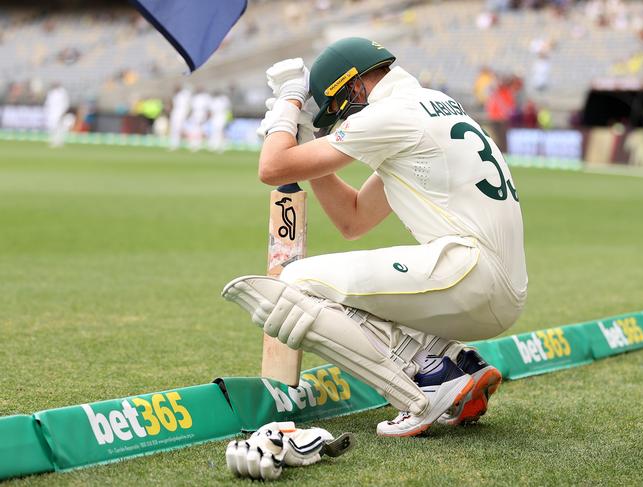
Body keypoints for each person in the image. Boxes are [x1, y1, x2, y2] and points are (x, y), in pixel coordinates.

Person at [223, 37, 527, 437]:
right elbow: (353, 220)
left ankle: (422, 391)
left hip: (470, 274)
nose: (340, 116)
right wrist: (306, 140)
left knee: (294, 284)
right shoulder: (428, 105)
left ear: (355, 85)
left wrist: (288, 105)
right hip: (497, 287)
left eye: (338, 105)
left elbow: (272, 167)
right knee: (348, 283)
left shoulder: (391, 114)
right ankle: (453, 362)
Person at [43, 82, 70, 147]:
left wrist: (63, 112)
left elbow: (66, 103)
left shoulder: (62, 92)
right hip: (51, 113)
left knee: (60, 127)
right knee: (51, 127)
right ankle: (53, 141)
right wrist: (46, 111)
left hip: (60, 112)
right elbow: (48, 103)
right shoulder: (51, 92)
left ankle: (59, 141)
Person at [169, 85, 192, 150]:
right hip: (176, 113)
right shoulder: (176, 96)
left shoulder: (184, 95)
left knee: (185, 128)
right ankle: (174, 144)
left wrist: (187, 113)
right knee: (175, 129)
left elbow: (188, 104)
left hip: (182, 113)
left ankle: (191, 143)